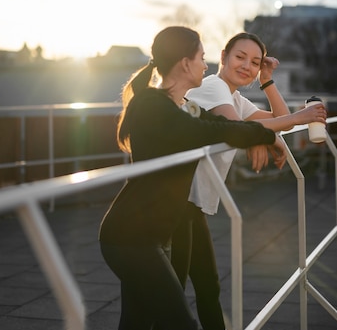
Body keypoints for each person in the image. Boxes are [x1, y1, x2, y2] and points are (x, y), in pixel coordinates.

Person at [98, 26, 287, 330]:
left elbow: (226, 127)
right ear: (186, 63)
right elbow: (219, 129)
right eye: (201, 57)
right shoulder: (160, 104)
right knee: (179, 319)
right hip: (137, 233)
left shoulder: (182, 106)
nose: (204, 63)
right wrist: (268, 136)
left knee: (140, 320)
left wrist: (267, 132)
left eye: (255, 62)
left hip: (152, 232)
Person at [170, 32, 327, 330]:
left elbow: (277, 120)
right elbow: (239, 129)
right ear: (224, 57)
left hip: (194, 203)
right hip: (178, 201)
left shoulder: (235, 98)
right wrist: (264, 133)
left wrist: (267, 81)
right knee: (172, 292)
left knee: (207, 287)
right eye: (240, 57)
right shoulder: (211, 85)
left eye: (255, 62)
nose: (247, 66)